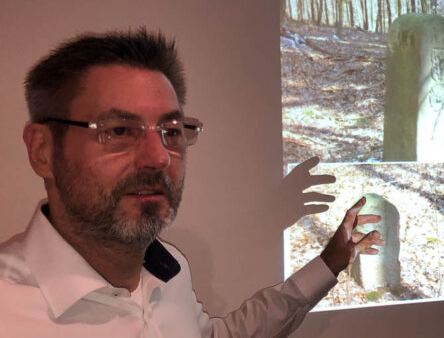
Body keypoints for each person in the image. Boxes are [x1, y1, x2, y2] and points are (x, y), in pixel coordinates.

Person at [0, 28, 384, 338]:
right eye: (118, 130)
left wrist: (329, 263)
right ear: (43, 151)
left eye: (171, 130)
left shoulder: (168, 269)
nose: (159, 156)